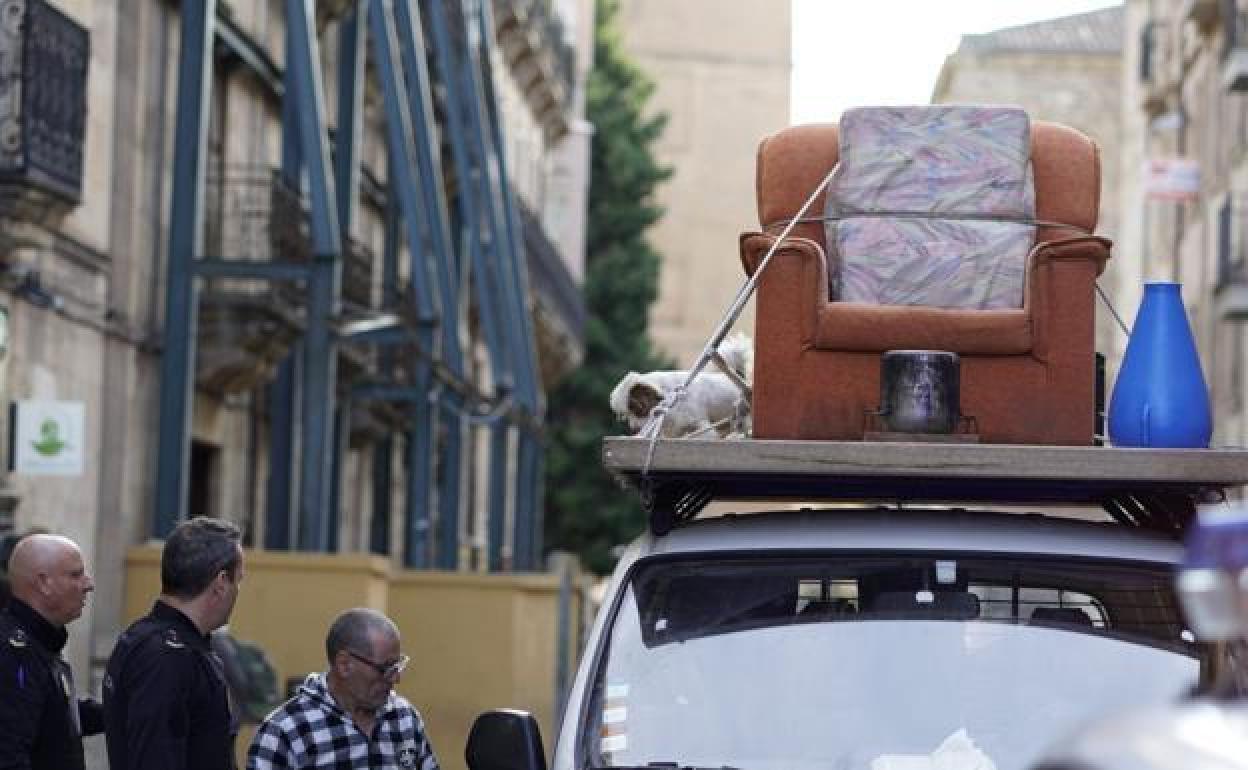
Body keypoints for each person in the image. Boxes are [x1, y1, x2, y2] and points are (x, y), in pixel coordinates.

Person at [104, 516, 245, 770]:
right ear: (221, 583)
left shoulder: (161, 643)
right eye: (239, 580)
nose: (239, 591)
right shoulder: (165, 657)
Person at [247, 608, 439, 770]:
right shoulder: (285, 731)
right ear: (344, 665)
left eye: (398, 667)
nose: (396, 679)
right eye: (385, 669)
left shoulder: (404, 718)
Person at [0, 533, 102, 769]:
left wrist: (121, 708)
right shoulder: (14, 654)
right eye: (76, 575)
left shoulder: (42, 640)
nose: (89, 584)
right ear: (44, 583)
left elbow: (53, 714)